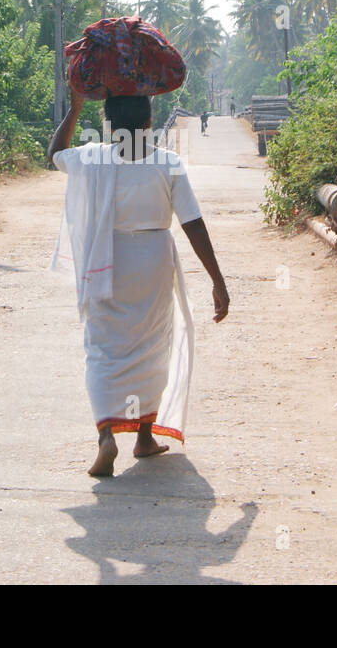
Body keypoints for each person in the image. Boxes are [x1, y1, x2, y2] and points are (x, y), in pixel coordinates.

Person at [48, 88, 229, 478]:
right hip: (153, 260)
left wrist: (75, 107)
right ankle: (144, 437)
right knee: (152, 346)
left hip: (105, 261)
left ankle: (106, 436)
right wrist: (217, 279)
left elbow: (54, 154)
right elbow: (192, 223)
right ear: (149, 122)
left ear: (107, 124)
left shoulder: (91, 159)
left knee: (103, 349)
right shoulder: (168, 163)